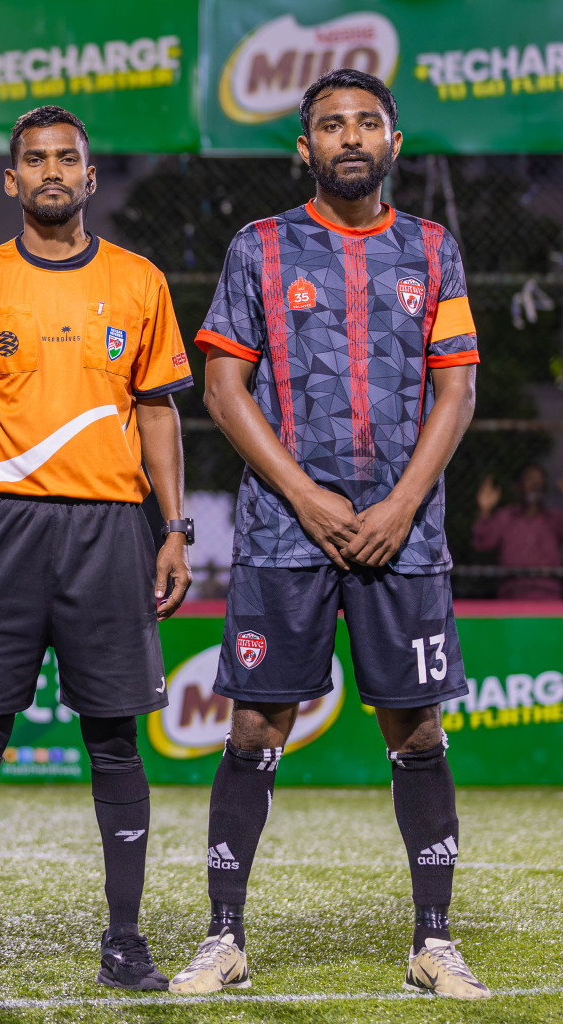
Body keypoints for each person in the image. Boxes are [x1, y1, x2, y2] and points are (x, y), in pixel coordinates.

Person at [173, 69, 487, 999]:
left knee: (416, 723)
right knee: (256, 721)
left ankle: (433, 942)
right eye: (330, 126)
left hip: (406, 535)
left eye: (367, 123)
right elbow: (224, 391)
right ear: (302, 149)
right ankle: (224, 937)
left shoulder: (434, 249)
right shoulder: (259, 248)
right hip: (283, 529)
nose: (350, 137)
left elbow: (457, 389)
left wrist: (399, 506)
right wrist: (308, 497)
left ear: (394, 143)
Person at [0, 105, 193, 993]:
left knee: (115, 738)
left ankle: (125, 941)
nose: (49, 172)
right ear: (12, 180)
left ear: (89, 177)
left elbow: (158, 411)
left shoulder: (140, 281)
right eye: (32, 159)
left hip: (109, 529)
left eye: (65, 159)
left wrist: (173, 528)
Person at [472, 464, 563, 599]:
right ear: (517, 487)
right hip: (512, 592)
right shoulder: (505, 517)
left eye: (539, 481)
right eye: (530, 479)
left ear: (545, 488)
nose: (534, 485)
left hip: (549, 592)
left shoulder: (555, 518)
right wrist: (484, 510)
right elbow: (482, 544)